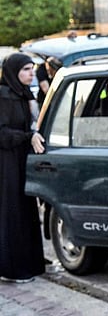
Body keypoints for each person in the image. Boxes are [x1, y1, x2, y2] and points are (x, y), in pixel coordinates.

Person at [0, 53, 45, 283]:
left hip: (21, 159)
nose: (31, 74)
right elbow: (3, 133)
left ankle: (29, 263)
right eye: (26, 69)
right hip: (7, 163)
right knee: (12, 213)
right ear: (13, 72)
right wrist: (28, 136)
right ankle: (12, 268)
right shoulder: (4, 96)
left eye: (32, 69)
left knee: (26, 211)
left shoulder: (24, 93)